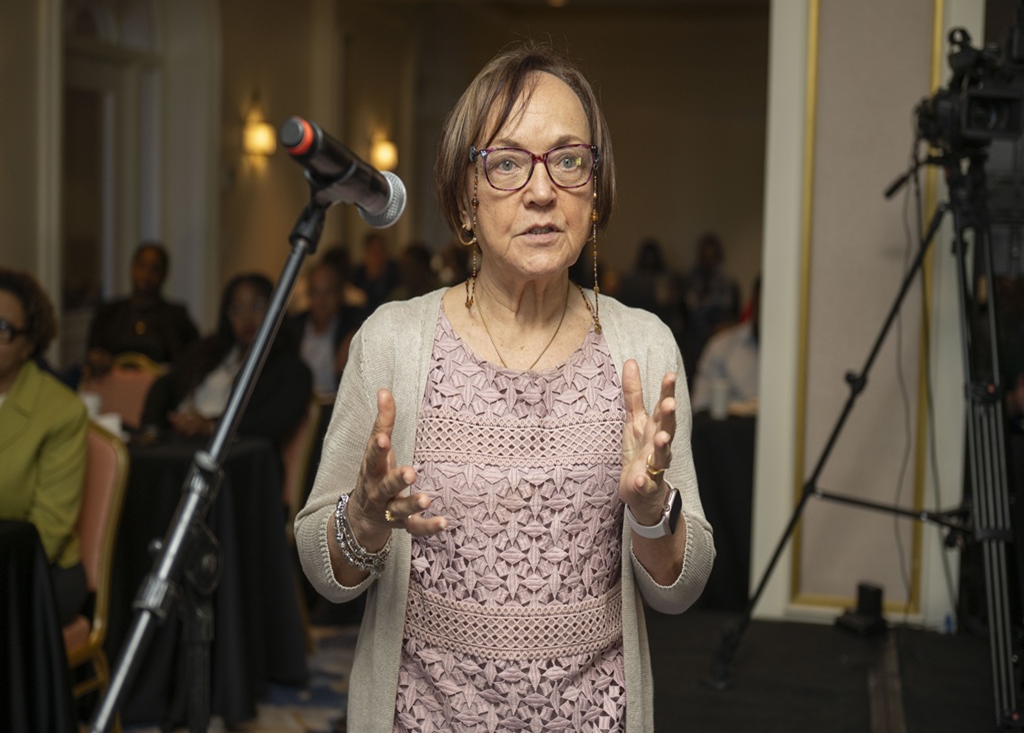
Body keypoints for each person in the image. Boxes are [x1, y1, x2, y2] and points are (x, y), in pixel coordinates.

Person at [295, 42, 714, 733]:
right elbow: (321, 569)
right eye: (508, 162)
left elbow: (681, 590)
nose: (542, 191)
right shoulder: (391, 342)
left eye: (568, 160)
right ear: (467, 194)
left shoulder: (644, 348)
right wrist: (363, 520)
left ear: (594, 190)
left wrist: (649, 510)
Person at [0, 268, 89, 626]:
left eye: (2, 328)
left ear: (29, 344)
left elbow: (48, 529)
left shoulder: (61, 412)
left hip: (35, 572)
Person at [142, 272, 312, 449]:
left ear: (274, 310)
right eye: (237, 310)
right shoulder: (208, 351)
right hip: (178, 444)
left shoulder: (291, 370)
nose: (247, 318)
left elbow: (270, 424)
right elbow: (164, 385)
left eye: (257, 306)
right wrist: (154, 430)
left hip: (236, 456)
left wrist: (211, 426)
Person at [84, 241, 199, 378]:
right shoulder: (108, 313)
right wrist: (97, 359)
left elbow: (194, 359)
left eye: (155, 269)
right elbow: (91, 354)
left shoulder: (177, 317)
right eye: (142, 266)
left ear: (164, 274)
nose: (146, 274)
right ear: (132, 267)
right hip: (113, 386)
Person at [690, 275, 761, 418]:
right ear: (754, 303)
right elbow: (700, 407)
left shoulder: (799, 355)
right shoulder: (720, 347)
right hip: (730, 428)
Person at [680, 233, 740, 381]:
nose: (708, 261)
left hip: (719, 336)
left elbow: (732, 315)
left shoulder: (726, 283)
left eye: (711, 257)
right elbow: (685, 311)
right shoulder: (690, 280)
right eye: (705, 256)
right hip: (694, 338)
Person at [288, 259, 351, 396]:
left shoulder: (350, 327)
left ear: (340, 294)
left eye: (329, 292)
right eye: (316, 292)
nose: (322, 301)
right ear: (308, 294)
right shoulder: (293, 328)